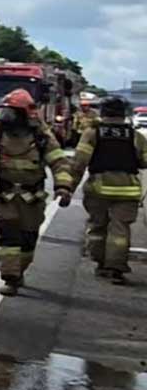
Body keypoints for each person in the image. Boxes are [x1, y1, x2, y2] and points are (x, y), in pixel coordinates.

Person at [0, 89, 73, 296]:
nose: (6, 116)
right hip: (4, 196)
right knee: (8, 238)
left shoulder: (42, 137)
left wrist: (63, 186)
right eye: (5, 111)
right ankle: (10, 277)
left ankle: (19, 271)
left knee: (28, 240)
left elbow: (59, 162)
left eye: (12, 112)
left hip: (31, 199)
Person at [69, 95, 147, 285]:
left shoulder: (92, 133)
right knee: (120, 230)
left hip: (98, 189)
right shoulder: (135, 136)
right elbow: (145, 161)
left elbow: (79, 162)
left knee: (98, 227)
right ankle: (116, 267)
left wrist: (68, 187)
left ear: (103, 112)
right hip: (128, 190)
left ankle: (101, 263)